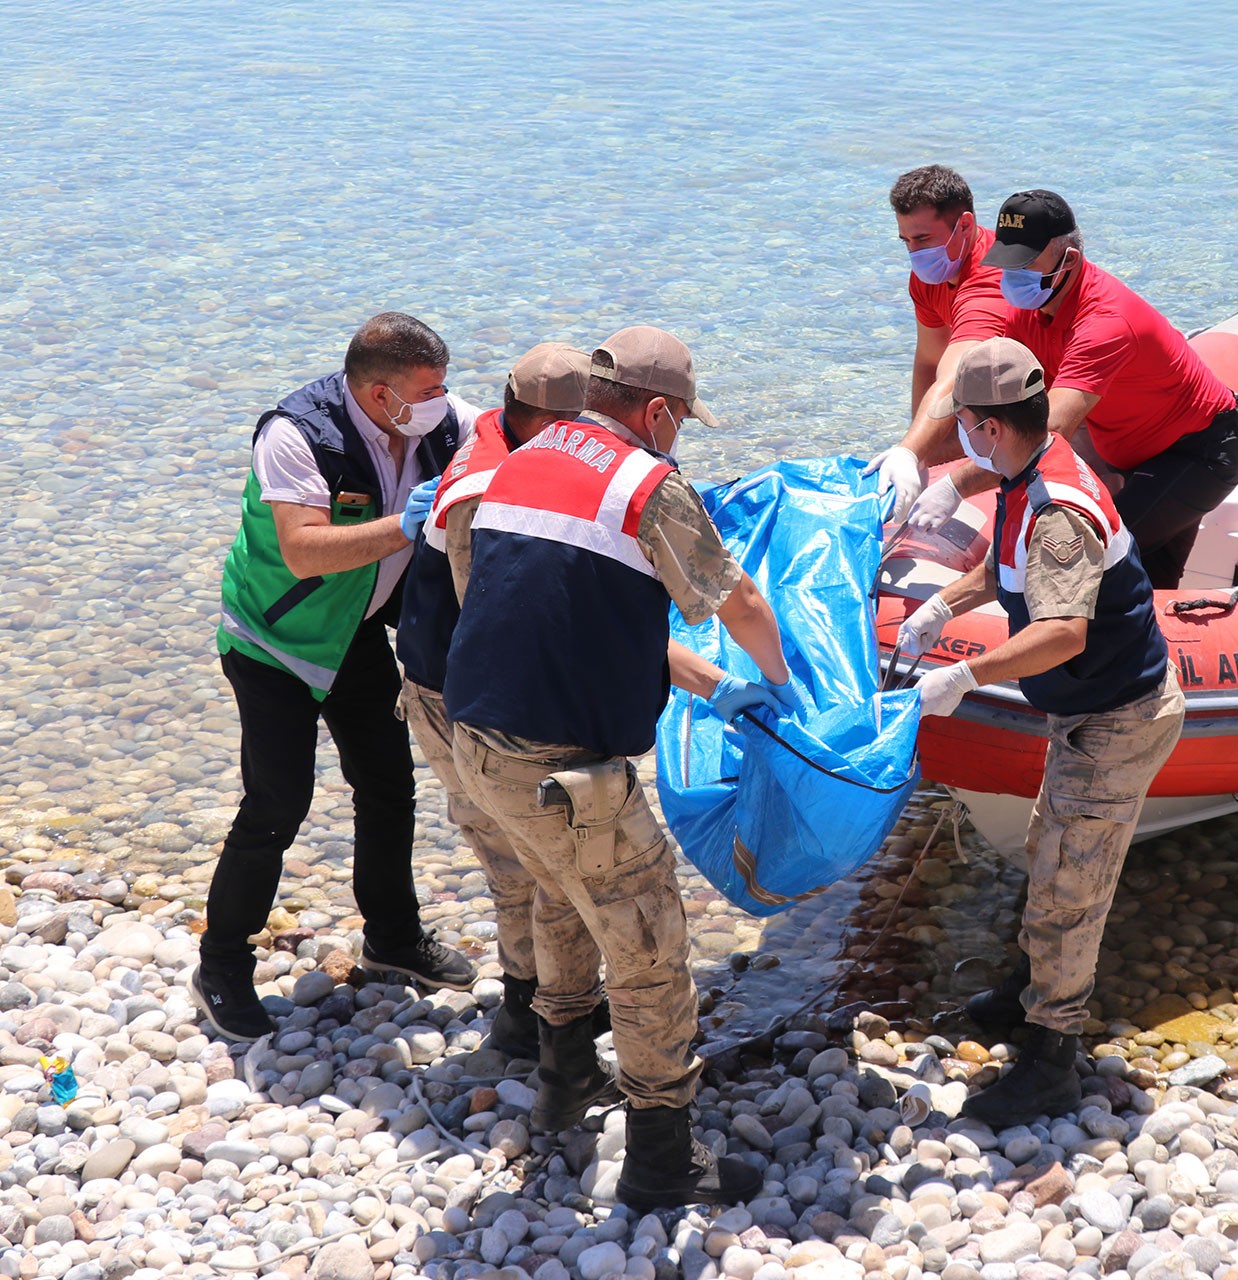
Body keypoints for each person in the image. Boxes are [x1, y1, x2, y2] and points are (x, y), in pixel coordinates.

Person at [442, 325, 797, 1212]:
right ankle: (661, 1158)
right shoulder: (648, 484)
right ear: (658, 411)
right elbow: (735, 598)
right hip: (566, 770)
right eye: (681, 421)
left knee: (561, 899)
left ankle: (564, 1083)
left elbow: (537, 598)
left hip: (477, 745)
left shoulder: (520, 458)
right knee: (649, 951)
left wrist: (706, 686)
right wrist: (785, 685)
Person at [898, 338, 1185, 1125]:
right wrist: (941, 608)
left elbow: (1062, 631)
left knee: (1069, 885)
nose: (958, 433)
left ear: (989, 427)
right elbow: (1002, 569)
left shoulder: (1058, 511)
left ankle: (1053, 1057)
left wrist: (964, 677)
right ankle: (1030, 995)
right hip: (1086, 712)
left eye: (962, 419)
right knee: (1047, 849)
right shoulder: (1032, 470)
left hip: (1115, 715)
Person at [199, 312, 481, 1042]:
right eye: (429, 389)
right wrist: (405, 526)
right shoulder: (294, 435)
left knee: (389, 787)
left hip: (355, 632)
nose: (443, 401)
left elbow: (521, 439)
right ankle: (221, 965)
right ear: (380, 392)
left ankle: (391, 938)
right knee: (276, 804)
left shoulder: (441, 421)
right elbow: (303, 550)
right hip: (274, 643)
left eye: (445, 386)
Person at [394, 342, 606, 1061]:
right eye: (579, 424)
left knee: (519, 857)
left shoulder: (492, 434)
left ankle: (539, 1002)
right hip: (458, 697)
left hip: (436, 671)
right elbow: (498, 626)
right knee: (529, 860)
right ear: (545, 421)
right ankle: (538, 1017)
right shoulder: (491, 486)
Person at [906, 190, 1238, 591]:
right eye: (1006, 264)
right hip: (1122, 447)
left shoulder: (1104, 323)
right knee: (1151, 580)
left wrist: (955, 486)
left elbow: (1041, 436)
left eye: (1025, 265)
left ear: (1069, 259)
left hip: (1195, 454)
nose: (1011, 278)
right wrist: (914, 453)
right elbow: (984, 392)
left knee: (1097, 564)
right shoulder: (1026, 309)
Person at [864, 164, 1011, 517]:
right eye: (906, 241)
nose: (914, 253)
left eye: (923, 239)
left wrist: (909, 451)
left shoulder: (990, 280)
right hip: (997, 399)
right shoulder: (929, 277)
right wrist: (921, 454)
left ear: (964, 225)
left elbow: (954, 376)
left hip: (1054, 407)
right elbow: (930, 361)